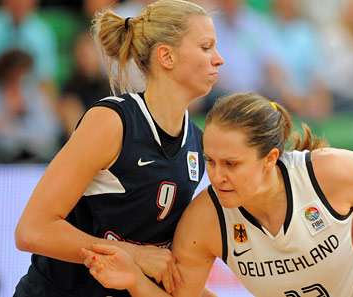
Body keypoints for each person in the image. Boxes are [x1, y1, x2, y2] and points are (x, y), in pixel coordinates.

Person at [81, 92, 353, 297]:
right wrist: (133, 280)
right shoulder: (206, 221)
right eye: (211, 161)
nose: (218, 176)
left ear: (270, 158)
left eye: (232, 163)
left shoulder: (325, 172)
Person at [14, 0, 224, 296]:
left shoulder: (196, 144)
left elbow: (169, 273)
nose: (219, 59)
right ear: (166, 56)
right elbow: (32, 230)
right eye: (206, 47)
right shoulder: (113, 122)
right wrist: (133, 255)